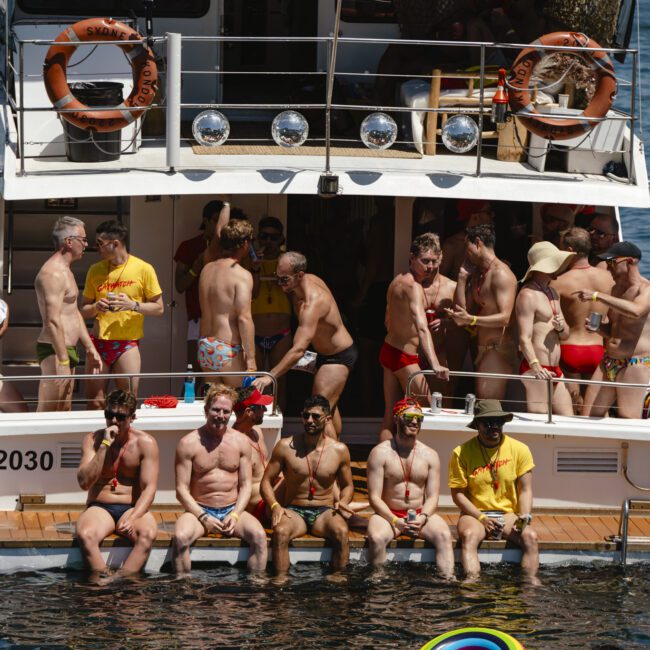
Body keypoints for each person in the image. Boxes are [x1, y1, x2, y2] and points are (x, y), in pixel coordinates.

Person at [253, 252, 357, 440]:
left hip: (337, 356)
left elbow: (299, 349)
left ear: (300, 275)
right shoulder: (301, 284)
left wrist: (270, 377)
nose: (279, 283)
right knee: (329, 408)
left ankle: (329, 461)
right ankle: (337, 452)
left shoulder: (313, 302)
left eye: (284, 279)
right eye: (277, 277)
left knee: (318, 412)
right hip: (323, 354)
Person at [172, 383, 268, 575]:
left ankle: (256, 593)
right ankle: (185, 594)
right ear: (206, 410)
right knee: (180, 538)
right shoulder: (188, 443)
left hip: (232, 509)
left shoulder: (241, 442)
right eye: (216, 410)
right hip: (199, 510)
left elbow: (246, 485)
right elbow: (181, 490)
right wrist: (203, 516)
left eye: (226, 411)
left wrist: (235, 514)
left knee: (259, 537)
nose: (221, 416)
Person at [260, 395, 353, 577]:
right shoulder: (286, 446)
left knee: (342, 532)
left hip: (325, 511)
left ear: (327, 419)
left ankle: (338, 581)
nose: (309, 420)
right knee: (280, 532)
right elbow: (265, 481)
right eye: (306, 415)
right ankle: (280, 583)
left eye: (316, 416)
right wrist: (275, 506)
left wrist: (344, 501)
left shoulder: (339, 450)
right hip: (294, 511)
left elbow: (348, 485)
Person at [448, 399, 539, 583]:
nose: (494, 426)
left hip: (507, 513)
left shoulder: (520, 449)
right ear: (478, 425)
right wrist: (481, 518)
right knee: (469, 536)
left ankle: (530, 581)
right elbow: (457, 494)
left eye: (499, 421)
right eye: (488, 422)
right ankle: (472, 580)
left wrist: (524, 515)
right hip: (475, 513)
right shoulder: (461, 452)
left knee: (531, 536)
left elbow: (525, 490)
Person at [75, 389, 159, 580]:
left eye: (120, 416)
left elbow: (149, 488)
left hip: (131, 508)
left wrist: (134, 517)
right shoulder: (93, 440)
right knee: (85, 534)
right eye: (109, 415)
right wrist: (105, 445)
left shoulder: (146, 443)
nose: (114, 421)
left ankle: (121, 580)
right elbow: (84, 482)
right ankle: (103, 581)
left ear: (132, 417)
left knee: (147, 534)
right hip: (100, 506)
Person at [366, 398, 455, 579]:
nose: (414, 422)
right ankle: (379, 584)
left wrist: (423, 518)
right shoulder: (379, 453)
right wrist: (394, 520)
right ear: (397, 419)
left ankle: (448, 582)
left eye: (419, 418)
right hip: (389, 514)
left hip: (419, 514)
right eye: (409, 417)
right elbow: (374, 498)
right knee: (376, 539)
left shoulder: (430, 455)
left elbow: (432, 497)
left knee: (444, 536)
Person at [81, 220, 164, 408]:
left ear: (115, 244)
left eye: (100, 243)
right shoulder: (95, 270)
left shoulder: (143, 268)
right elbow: (83, 310)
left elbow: (159, 308)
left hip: (127, 343)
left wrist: (132, 305)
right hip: (99, 342)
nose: (96, 248)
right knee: (95, 400)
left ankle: (124, 436)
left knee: (128, 399)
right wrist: (96, 307)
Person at [379, 234, 449, 441]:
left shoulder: (396, 281)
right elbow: (422, 327)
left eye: (434, 261)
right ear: (412, 258)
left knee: (390, 415)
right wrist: (435, 363)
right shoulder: (414, 287)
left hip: (389, 349)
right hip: (404, 357)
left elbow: (388, 318)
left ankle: (384, 463)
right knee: (424, 411)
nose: (430, 266)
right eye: (425, 261)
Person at [575, 242, 650, 419]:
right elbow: (614, 330)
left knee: (628, 420)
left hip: (635, 364)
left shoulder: (646, 290)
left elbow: (636, 311)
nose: (608, 267)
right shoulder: (615, 290)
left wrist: (597, 295)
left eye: (612, 262)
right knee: (588, 415)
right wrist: (600, 328)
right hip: (609, 361)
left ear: (630, 262)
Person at [35, 216, 101, 411]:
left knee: (64, 408)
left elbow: (73, 313)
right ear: (69, 241)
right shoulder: (52, 274)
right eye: (83, 239)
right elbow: (52, 320)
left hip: (66, 349)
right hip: (54, 349)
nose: (87, 244)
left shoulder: (67, 271)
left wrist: (89, 347)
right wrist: (63, 359)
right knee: (50, 411)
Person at [447, 224, 517, 401]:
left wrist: (472, 319)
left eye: (467, 247)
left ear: (477, 243)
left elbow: (505, 318)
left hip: (497, 349)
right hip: (483, 349)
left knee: (488, 408)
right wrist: (462, 278)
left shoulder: (501, 274)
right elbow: (460, 312)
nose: (465, 253)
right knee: (483, 406)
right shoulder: (479, 274)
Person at [553, 227, 613, 411]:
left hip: (571, 349)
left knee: (572, 407)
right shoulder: (609, 278)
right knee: (593, 409)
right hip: (599, 349)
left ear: (570, 250)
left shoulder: (558, 282)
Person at [516, 241, 575, 415]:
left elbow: (565, 335)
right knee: (538, 420)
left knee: (568, 418)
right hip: (537, 368)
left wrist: (561, 327)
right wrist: (535, 367)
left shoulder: (553, 292)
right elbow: (523, 338)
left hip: (555, 369)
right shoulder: (527, 295)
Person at [174, 199, 231, 375]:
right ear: (205, 220)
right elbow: (180, 286)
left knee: (222, 373)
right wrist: (195, 269)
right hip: (198, 317)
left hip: (227, 319)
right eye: (216, 220)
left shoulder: (231, 248)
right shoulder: (189, 246)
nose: (220, 225)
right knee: (194, 371)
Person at [198, 219, 257, 386]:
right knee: (240, 403)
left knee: (214, 405)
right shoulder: (241, 275)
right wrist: (251, 360)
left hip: (205, 345)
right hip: (227, 347)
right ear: (245, 243)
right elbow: (244, 318)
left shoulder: (206, 269)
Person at [249, 216, 292, 411]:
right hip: (255, 331)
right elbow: (253, 292)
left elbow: (296, 293)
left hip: (281, 331)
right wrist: (256, 268)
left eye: (273, 238)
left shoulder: (288, 261)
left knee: (278, 382)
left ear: (281, 239)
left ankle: (277, 421)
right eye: (264, 236)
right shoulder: (249, 259)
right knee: (254, 382)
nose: (268, 242)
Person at [233, 385, 275, 524]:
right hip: (256, 506)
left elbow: (266, 463)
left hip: (271, 495)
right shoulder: (234, 443)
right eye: (261, 407)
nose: (265, 410)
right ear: (249, 412)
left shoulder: (257, 431)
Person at [440, 199, 494, 281]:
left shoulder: (488, 241)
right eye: (489, 212)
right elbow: (440, 280)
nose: (493, 215)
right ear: (475, 217)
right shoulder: (451, 245)